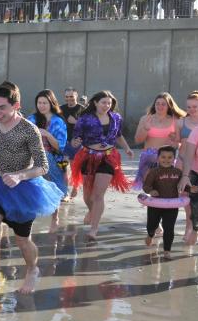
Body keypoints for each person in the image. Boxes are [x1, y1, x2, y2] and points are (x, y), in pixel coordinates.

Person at [0, 83, 63, 297]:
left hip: (24, 188)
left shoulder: (28, 130)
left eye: (1, 107)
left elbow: (43, 166)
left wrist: (20, 176)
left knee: (22, 240)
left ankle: (32, 269)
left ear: (16, 105)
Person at [69, 90, 133, 240]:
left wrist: (127, 148)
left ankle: (94, 228)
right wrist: (75, 142)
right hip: (87, 156)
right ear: (96, 103)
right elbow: (75, 138)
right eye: (103, 102)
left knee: (98, 194)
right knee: (87, 195)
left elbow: (118, 135)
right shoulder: (85, 118)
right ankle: (92, 211)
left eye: (109, 103)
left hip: (108, 157)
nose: (106, 105)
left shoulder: (116, 118)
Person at [28, 90, 69, 210]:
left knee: (44, 154)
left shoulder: (58, 121)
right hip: (33, 156)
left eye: (44, 103)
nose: (41, 105)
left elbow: (59, 147)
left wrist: (47, 134)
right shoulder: (32, 119)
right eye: (39, 103)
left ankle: (59, 190)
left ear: (51, 103)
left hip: (54, 157)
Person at [133, 93, 184, 189]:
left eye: (163, 104)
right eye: (157, 103)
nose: (160, 106)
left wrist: (175, 140)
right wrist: (145, 129)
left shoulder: (176, 120)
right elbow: (137, 140)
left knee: (165, 188)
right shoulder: (145, 119)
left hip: (167, 158)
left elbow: (179, 144)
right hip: (148, 158)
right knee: (149, 187)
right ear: (154, 105)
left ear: (169, 106)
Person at [143, 146, 182, 258]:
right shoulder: (154, 172)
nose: (166, 159)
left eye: (170, 157)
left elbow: (183, 186)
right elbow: (146, 186)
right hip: (155, 205)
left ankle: (167, 251)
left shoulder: (178, 172)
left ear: (174, 158)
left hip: (172, 205)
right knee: (152, 225)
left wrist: (190, 189)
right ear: (158, 158)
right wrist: (151, 190)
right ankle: (150, 235)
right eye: (163, 157)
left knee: (169, 227)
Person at [178, 91, 198, 243]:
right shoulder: (197, 131)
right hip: (195, 170)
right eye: (189, 106)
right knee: (193, 201)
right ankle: (194, 227)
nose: (191, 109)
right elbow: (189, 155)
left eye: (195, 106)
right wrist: (185, 176)